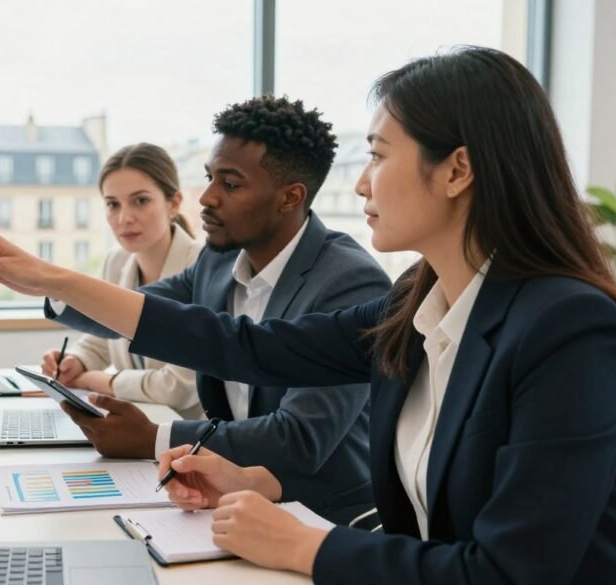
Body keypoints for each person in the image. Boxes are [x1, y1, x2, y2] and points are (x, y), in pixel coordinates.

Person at [0, 46, 616, 583]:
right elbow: (248, 346)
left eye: (378, 155)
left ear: (459, 170)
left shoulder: (569, 327)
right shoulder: (421, 299)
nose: (363, 181)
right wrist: (265, 486)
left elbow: (510, 572)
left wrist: (301, 542)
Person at [42, 95, 391, 524]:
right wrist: (50, 285)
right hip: (228, 501)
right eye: (209, 178)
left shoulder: (349, 282)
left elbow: (299, 439)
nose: (205, 197)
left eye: (230, 184)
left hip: (325, 518)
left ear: (289, 197)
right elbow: (139, 312)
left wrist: (152, 437)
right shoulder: (218, 261)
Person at [40, 143, 205, 419]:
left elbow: (180, 386)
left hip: (190, 432)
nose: (124, 218)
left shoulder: (201, 267)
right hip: (139, 422)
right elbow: (106, 336)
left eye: (140, 201)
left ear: (174, 203)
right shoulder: (116, 262)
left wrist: (96, 381)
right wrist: (76, 361)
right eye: (112, 204)